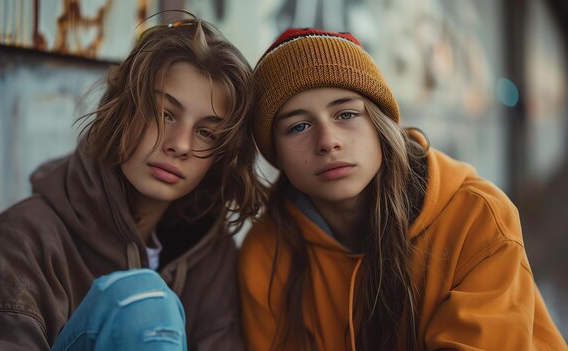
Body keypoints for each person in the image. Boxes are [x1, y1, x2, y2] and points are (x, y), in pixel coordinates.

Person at [239, 28, 567, 351]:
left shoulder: (475, 217)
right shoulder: (266, 254)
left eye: (346, 114)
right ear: (275, 153)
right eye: (298, 126)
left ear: (380, 124)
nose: (328, 141)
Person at [0, 16, 265, 350]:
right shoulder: (16, 243)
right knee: (142, 306)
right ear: (121, 111)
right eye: (164, 114)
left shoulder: (211, 255)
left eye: (206, 132)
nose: (181, 144)